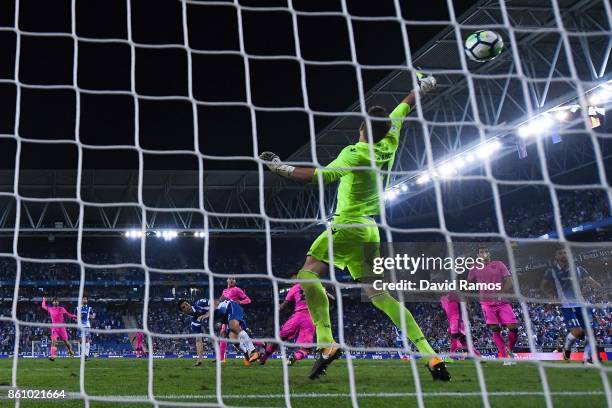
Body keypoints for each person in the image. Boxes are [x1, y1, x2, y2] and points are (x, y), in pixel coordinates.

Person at [259, 72, 450, 381]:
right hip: (371, 230)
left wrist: (280, 167)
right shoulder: (390, 139)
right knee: (380, 295)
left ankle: (326, 341)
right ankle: (430, 354)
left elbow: (318, 177)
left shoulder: (355, 152)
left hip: (346, 226)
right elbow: (404, 106)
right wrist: (422, 87)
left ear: (361, 127)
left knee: (307, 273)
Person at [540, 248, 602, 364]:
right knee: (577, 331)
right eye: (560, 253)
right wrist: (551, 297)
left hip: (582, 304)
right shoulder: (551, 271)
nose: (564, 255)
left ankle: (587, 359)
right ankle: (566, 351)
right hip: (567, 305)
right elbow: (543, 286)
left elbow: (591, 281)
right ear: (556, 256)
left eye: (566, 253)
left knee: (590, 333)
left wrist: (598, 286)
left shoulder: (578, 269)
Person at [467, 247, 518, 365]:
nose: (484, 253)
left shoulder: (499, 264)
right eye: (481, 252)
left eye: (486, 251)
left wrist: (502, 293)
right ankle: (505, 357)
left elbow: (510, 280)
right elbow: (468, 284)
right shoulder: (474, 267)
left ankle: (509, 350)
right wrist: (468, 299)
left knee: (513, 328)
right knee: (495, 329)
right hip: (486, 304)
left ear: (489, 253)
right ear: (478, 255)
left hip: (502, 302)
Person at [178, 298, 259, 367]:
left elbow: (216, 302)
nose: (187, 306)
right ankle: (247, 356)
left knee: (233, 326)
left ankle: (253, 351)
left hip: (230, 306)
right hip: (225, 319)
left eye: (186, 304)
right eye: (183, 307)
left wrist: (207, 314)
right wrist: (199, 359)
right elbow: (199, 341)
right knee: (234, 340)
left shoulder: (199, 303)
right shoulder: (194, 323)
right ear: (183, 311)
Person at [217, 277, 252, 363]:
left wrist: (240, 302)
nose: (232, 280)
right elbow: (221, 302)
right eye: (230, 278)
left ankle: (251, 350)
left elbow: (248, 300)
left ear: (235, 281)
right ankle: (221, 359)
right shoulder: (224, 291)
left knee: (236, 340)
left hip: (235, 316)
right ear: (227, 280)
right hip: (225, 316)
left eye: (234, 279)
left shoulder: (237, 290)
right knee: (223, 335)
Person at [41, 297, 76, 361]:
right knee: (53, 341)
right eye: (54, 301)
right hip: (54, 328)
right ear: (52, 302)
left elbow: (68, 314)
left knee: (66, 342)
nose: (55, 302)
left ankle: (70, 350)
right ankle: (52, 356)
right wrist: (44, 300)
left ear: (58, 302)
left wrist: (75, 316)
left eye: (56, 301)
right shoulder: (50, 309)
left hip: (62, 328)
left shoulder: (61, 309)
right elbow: (43, 306)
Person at [76, 295, 95, 360]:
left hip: (87, 326)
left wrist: (90, 316)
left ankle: (86, 355)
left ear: (87, 300)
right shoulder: (78, 308)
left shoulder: (90, 308)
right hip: (80, 326)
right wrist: (78, 317)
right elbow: (74, 317)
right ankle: (83, 355)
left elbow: (93, 316)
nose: (84, 300)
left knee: (87, 340)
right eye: (83, 299)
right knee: (81, 341)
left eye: (85, 299)